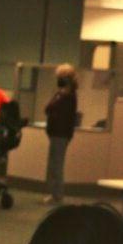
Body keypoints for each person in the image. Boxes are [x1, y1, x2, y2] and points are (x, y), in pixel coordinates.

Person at [43, 63, 78, 205]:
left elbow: (51, 109)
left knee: (57, 165)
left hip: (61, 134)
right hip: (56, 133)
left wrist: (55, 104)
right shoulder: (61, 94)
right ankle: (54, 194)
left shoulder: (68, 96)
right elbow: (48, 109)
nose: (59, 80)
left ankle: (57, 196)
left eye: (60, 77)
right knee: (53, 164)